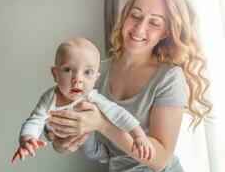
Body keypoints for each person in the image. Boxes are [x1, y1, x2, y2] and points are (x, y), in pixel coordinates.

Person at [45, 0, 212, 172]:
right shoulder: (99, 72)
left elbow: (159, 160)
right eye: (136, 15)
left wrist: (102, 124)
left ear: (165, 32)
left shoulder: (168, 77)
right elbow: (103, 149)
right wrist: (59, 139)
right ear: (125, 17)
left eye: (155, 23)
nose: (140, 28)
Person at [11, 37, 155, 164]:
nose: (78, 79)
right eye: (68, 70)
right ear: (55, 74)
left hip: (83, 134)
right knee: (61, 141)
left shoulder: (91, 96)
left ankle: (109, 155)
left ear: (95, 79)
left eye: (87, 72)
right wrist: (27, 139)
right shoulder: (49, 97)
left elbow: (118, 113)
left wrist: (139, 135)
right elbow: (35, 121)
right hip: (57, 134)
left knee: (90, 151)